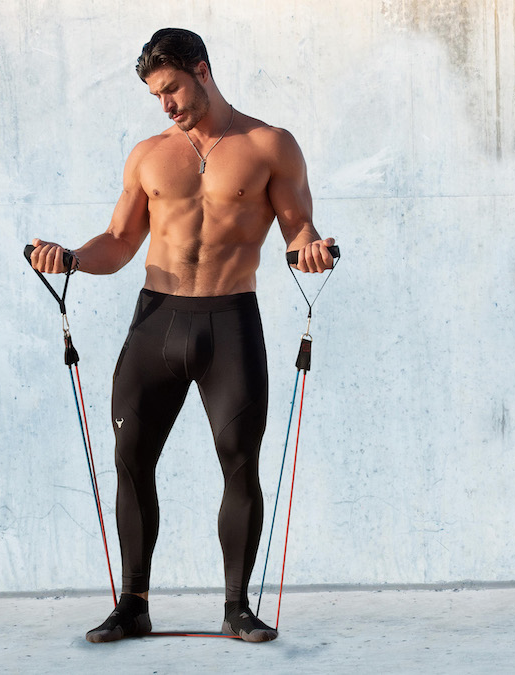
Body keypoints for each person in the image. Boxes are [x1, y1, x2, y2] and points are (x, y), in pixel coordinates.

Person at [29, 27, 335, 644]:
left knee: (240, 465)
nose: (165, 104)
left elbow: (299, 230)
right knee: (131, 460)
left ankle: (236, 609)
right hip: (157, 321)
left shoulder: (269, 145)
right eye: (155, 95)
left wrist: (314, 253)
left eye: (171, 88)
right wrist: (70, 257)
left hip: (230, 323)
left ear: (201, 69)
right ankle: (133, 605)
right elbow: (117, 244)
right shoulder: (148, 155)